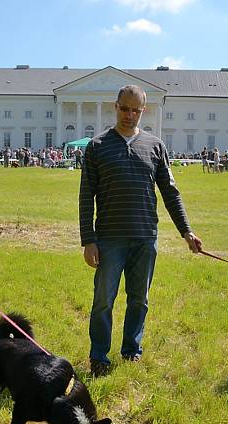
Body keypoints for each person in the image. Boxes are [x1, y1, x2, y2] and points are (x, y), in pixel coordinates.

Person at [79, 85, 203, 377]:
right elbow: (86, 197)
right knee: (103, 301)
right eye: (125, 108)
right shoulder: (97, 146)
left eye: (136, 110)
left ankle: (132, 350)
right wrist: (88, 240)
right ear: (115, 106)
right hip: (109, 239)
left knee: (139, 299)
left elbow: (171, 193)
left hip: (146, 237)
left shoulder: (155, 146)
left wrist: (186, 232)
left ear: (143, 111)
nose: (130, 115)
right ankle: (99, 357)